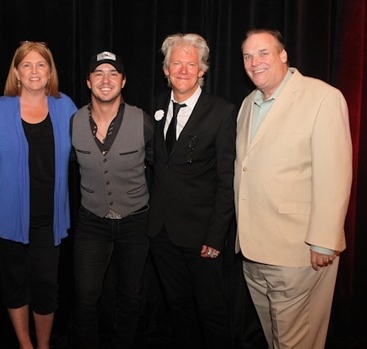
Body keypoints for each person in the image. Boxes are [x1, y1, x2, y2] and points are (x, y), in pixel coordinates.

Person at [235, 28, 353, 348]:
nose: (254, 62)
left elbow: (335, 172)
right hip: (254, 251)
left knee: (295, 341)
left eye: (263, 53)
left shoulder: (322, 97)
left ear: (283, 55)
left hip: (298, 250)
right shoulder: (248, 104)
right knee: (277, 339)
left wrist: (324, 241)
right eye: (247, 56)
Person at [0, 41, 77, 349]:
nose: (34, 71)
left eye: (41, 65)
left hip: (49, 220)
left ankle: (44, 345)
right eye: (27, 65)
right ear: (16, 72)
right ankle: (25, 344)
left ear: (50, 72)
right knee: (15, 286)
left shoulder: (66, 106)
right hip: (7, 217)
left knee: (47, 287)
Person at [148, 33, 237, 348]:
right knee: (178, 309)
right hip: (161, 233)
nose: (183, 70)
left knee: (211, 312)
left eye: (191, 64)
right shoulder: (156, 106)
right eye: (176, 63)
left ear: (203, 70)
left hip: (202, 237)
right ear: (166, 69)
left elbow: (228, 181)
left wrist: (215, 239)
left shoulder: (223, 112)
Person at [71, 51, 153, 348]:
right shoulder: (74, 121)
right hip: (91, 222)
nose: (106, 80)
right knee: (86, 297)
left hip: (135, 222)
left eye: (113, 74)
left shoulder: (142, 121)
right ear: (89, 81)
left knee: (130, 296)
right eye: (98, 73)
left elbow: (162, 171)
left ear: (123, 81)